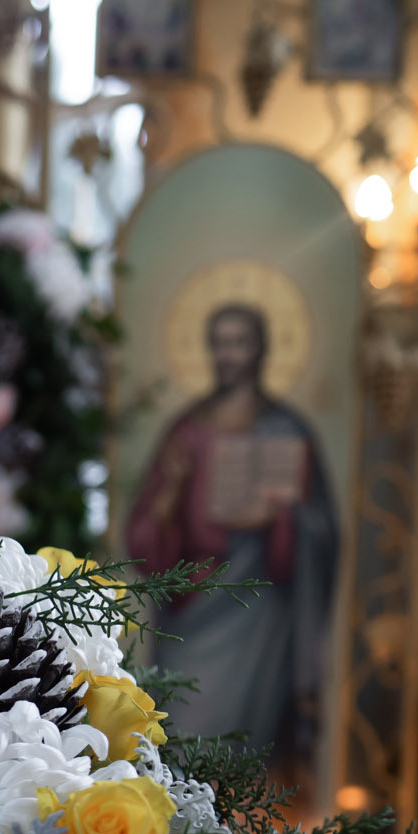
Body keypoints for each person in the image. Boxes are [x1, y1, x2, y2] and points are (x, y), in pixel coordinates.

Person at [127, 302, 339, 787]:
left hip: (263, 616)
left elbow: (324, 532)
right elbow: (144, 535)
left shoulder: (288, 431)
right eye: (220, 342)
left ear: (261, 349)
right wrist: (171, 492)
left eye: (239, 342)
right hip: (194, 611)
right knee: (181, 735)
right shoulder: (186, 432)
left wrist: (282, 517)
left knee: (250, 753)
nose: (229, 354)